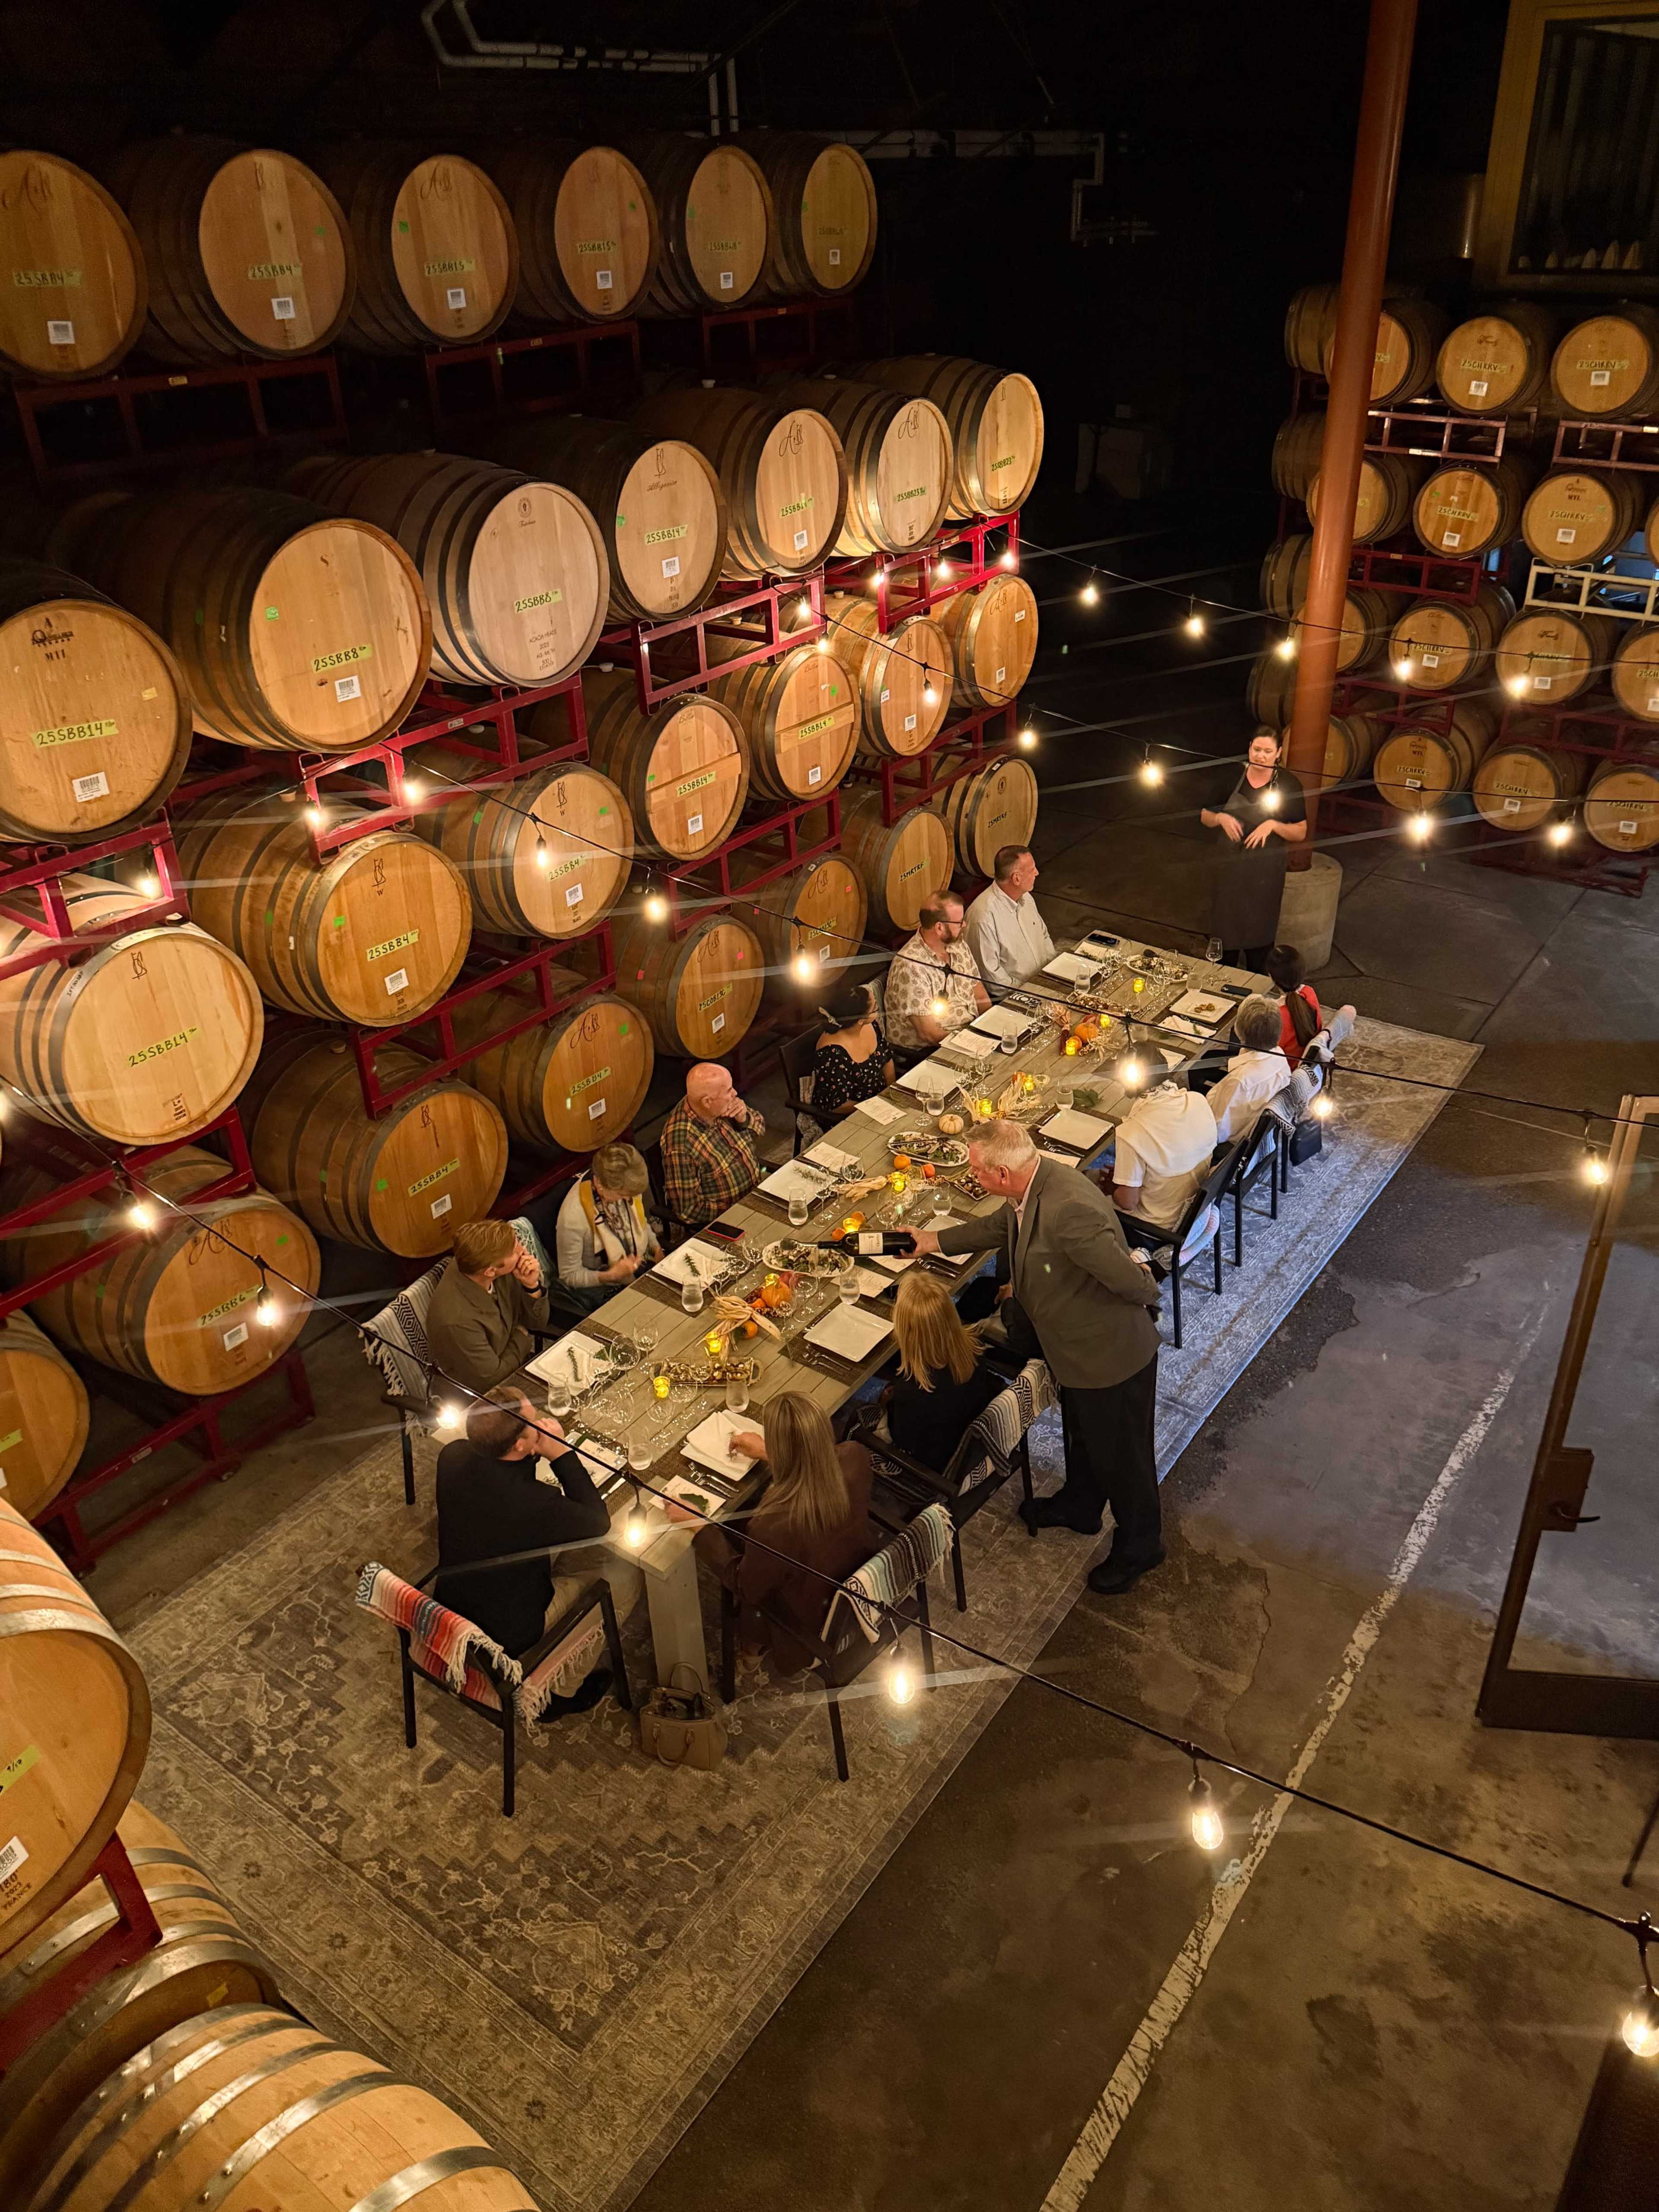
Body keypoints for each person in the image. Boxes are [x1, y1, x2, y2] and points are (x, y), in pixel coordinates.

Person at [908, 1120, 1166, 1597]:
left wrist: (1150, 1284)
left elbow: (1130, 1280)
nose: (974, 1179)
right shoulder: (1031, 1186)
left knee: (1126, 1459)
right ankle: (1082, 1505)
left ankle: (1141, 1545)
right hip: (1074, 1351)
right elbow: (999, 1226)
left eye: (978, 1172)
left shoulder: (1067, 1210)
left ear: (1003, 1172)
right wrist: (933, 1242)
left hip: (1110, 1357)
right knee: (1088, 1438)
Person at [434, 1388, 613, 1711]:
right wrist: (560, 1454)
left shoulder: (452, 1455)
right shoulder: (536, 1503)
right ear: (518, 1444)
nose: (542, 1421)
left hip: (452, 1600)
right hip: (508, 1630)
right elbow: (599, 1523)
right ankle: (558, 1695)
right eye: (534, 1421)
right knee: (623, 1576)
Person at [697, 1391, 878, 1675]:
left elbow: (746, 1586)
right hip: (854, 1576)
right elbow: (818, 1466)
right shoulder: (855, 1456)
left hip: (808, 1628)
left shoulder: (775, 1525)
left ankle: (753, 1647)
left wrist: (698, 1526)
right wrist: (772, 1453)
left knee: (729, 1533)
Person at [1200, 728, 1307, 967]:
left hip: (1263, 879)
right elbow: (1205, 815)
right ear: (1249, 747)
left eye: (1268, 751)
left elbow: (1300, 831)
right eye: (1257, 750)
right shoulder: (1231, 776)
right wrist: (1220, 819)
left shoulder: (1289, 784)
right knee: (1223, 950)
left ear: (1278, 753)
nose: (1261, 756)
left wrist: (1273, 825)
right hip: (1228, 876)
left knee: (1258, 950)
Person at [885, 1270, 1000, 1473]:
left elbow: (903, 1440)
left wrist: (887, 1404)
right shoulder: (974, 1353)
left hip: (929, 1469)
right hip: (962, 1445)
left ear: (906, 1332)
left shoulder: (913, 1389)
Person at [426, 1219, 550, 1396]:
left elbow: (537, 1324)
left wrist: (532, 1286)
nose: (523, 1250)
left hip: (513, 1363)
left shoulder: (497, 1267)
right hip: (476, 1399)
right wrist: (521, 1337)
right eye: (516, 1250)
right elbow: (493, 1379)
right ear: (490, 1272)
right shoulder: (457, 1320)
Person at [1109, 1080, 1220, 1245]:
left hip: (1156, 1228)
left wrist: (1115, 1190)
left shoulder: (1131, 1133)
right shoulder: (1198, 1100)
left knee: (1085, 1193)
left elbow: (1128, 1203)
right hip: (1193, 1210)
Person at [554, 1141, 662, 1310]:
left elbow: (640, 1223)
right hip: (603, 1290)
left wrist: (655, 1248)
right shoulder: (573, 1219)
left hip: (637, 1271)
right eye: (622, 1195)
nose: (628, 1200)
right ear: (599, 1184)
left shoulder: (625, 1191)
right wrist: (609, 1276)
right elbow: (569, 1275)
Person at [660, 1061, 766, 1230]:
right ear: (707, 1102)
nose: (735, 1093)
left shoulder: (718, 1104)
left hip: (757, 1192)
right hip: (732, 1218)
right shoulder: (682, 1145)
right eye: (729, 1091)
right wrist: (741, 1208)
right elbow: (688, 1210)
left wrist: (743, 1119)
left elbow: (760, 1128)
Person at [883, 893, 990, 1059]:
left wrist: (991, 1029)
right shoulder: (911, 966)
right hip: (931, 1052)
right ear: (939, 928)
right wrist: (973, 1045)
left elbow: (979, 991)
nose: (965, 925)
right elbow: (929, 1034)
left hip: (971, 1037)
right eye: (959, 922)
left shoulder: (957, 944)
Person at [963, 846, 1055, 990]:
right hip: (1012, 998)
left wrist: (1051, 975)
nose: (1037, 873)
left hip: (1043, 985)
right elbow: (992, 978)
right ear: (1016, 879)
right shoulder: (984, 918)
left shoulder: (1027, 898)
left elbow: (1044, 936)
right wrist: (1029, 990)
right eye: (1032, 870)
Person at [1205, 994, 1292, 1142]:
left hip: (1233, 1142)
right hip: (1256, 1128)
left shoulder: (1241, 1080)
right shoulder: (1279, 1055)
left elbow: (1217, 1130)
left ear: (1238, 1032)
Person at [808, 976, 895, 1120]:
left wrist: (891, 1094)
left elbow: (887, 1060)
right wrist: (875, 1108)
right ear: (861, 1020)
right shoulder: (833, 1053)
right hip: (851, 1116)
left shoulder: (871, 1025)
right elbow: (837, 1105)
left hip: (882, 1105)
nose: (877, 1011)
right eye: (875, 1008)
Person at [1265, 943, 1321, 1070]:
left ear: (1271, 976)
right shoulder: (1309, 992)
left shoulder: (1275, 1015)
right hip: (1302, 1067)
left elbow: (1265, 1054)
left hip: (1281, 1072)